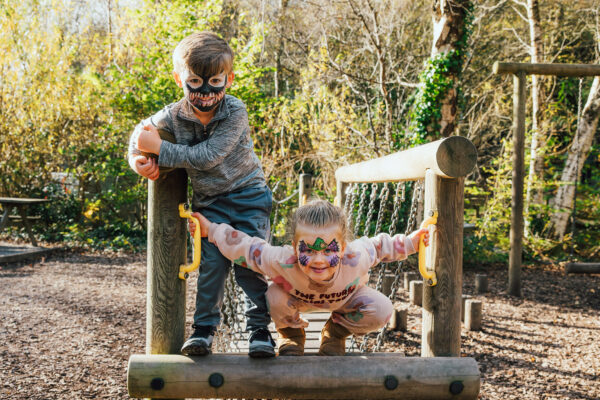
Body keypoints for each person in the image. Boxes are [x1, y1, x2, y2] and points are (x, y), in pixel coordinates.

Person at [127, 31, 275, 358]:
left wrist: (160, 150)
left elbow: (207, 156)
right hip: (210, 205)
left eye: (215, 82)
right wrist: (138, 160)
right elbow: (140, 134)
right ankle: (203, 330)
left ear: (230, 79)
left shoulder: (235, 111)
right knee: (211, 266)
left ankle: (260, 331)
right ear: (179, 77)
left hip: (249, 196)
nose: (206, 93)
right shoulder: (173, 115)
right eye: (195, 82)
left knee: (250, 263)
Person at [188, 199, 429, 356]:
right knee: (273, 294)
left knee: (381, 308)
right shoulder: (282, 260)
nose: (319, 260)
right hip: (297, 300)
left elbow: (380, 246)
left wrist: (411, 243)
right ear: (294, 248)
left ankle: (335, 332)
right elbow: (247, 249)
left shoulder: (356, 257)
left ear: (342, 249)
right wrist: (211, 230)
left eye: (328, 250)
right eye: (309, 250)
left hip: (345, 301)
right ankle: (291, 334)